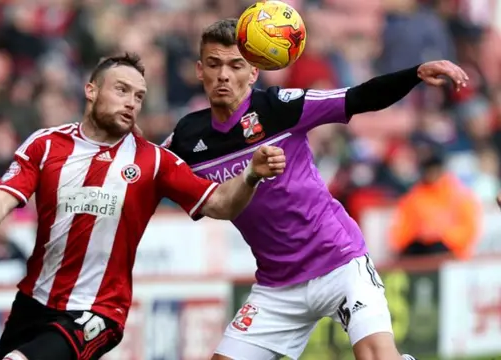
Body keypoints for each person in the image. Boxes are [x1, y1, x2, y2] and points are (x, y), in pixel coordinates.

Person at [161, 19, 469, 360]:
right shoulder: (188, 137)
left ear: (254, 73)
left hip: (338, 261)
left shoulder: (281, 107)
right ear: (199, 70)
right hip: (276, 287)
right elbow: (146, 172)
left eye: (236, 65)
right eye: (214, 64)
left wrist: (413, 73)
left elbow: (357, 97)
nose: (223, 75)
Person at [0, 53, 286, 360]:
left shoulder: (155, 161)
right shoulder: (46, 144)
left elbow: (220, 204)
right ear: (91, 90)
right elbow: (7, 192)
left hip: (99, 311)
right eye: (121, 90)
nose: (131, 102)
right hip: (33, 301)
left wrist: (251, 175)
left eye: (139, 96)